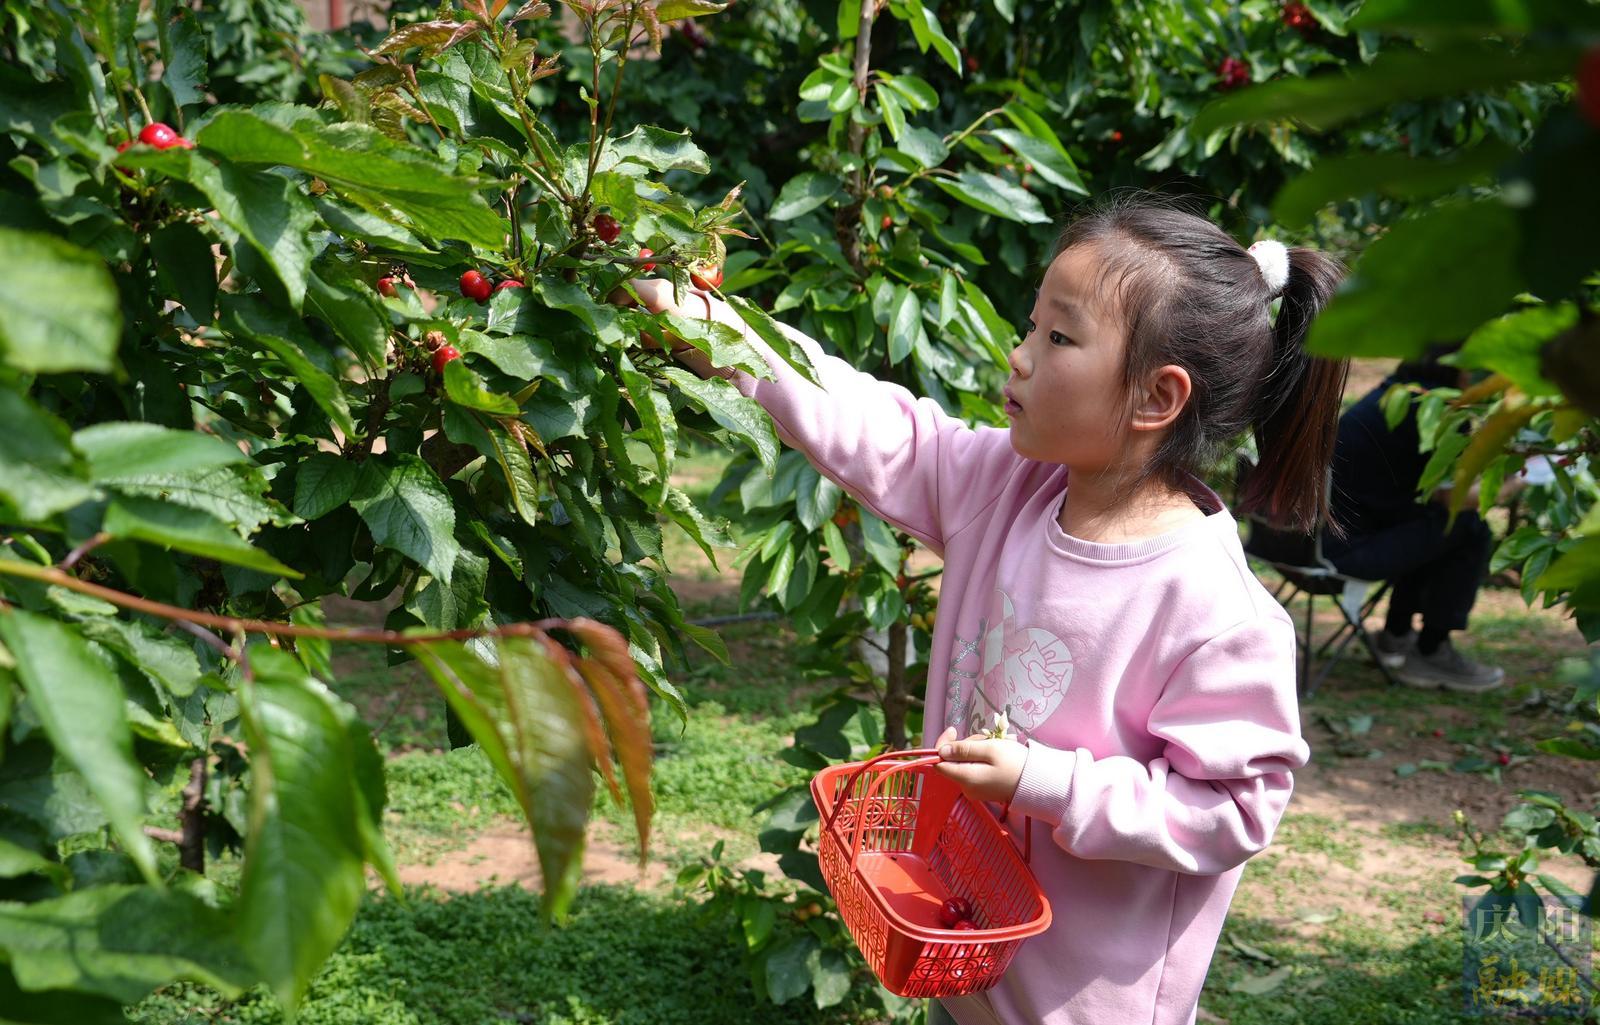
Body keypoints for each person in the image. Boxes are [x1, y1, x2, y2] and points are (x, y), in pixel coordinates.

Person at [631, 194, 1341, 1025]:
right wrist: (710, 326)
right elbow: (873, 423)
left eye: (1059, 338)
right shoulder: (1007, 488)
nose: (1020, 356)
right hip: (964, 966)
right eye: (1032, 326)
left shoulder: (1215, 610)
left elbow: (1233, 809)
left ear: (1156, 397)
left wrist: (1048, 782)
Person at [1322, 353, 1509, 691]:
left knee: (1427, 522)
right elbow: (1452, 498)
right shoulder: (1436, 411)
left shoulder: (1391, 393)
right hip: (1347, 553)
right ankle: (1432, 650)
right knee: (1469, 527)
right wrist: (1524, 479)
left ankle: (1396, 634)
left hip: (1310, 544)